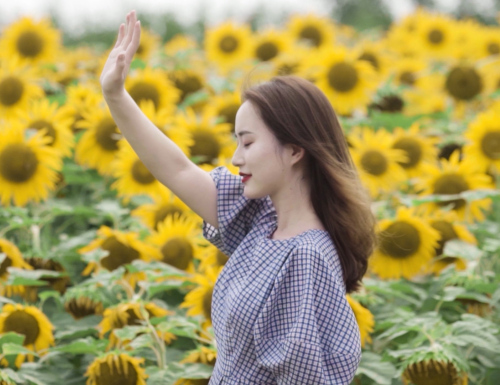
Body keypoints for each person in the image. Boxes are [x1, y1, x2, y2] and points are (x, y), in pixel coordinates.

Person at [100, 10, 377, 385]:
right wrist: (115, 95)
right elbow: (178, 171)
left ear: (295, 151)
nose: (236, 157)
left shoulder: (304, 258)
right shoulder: (262, 222)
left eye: (247, 142)